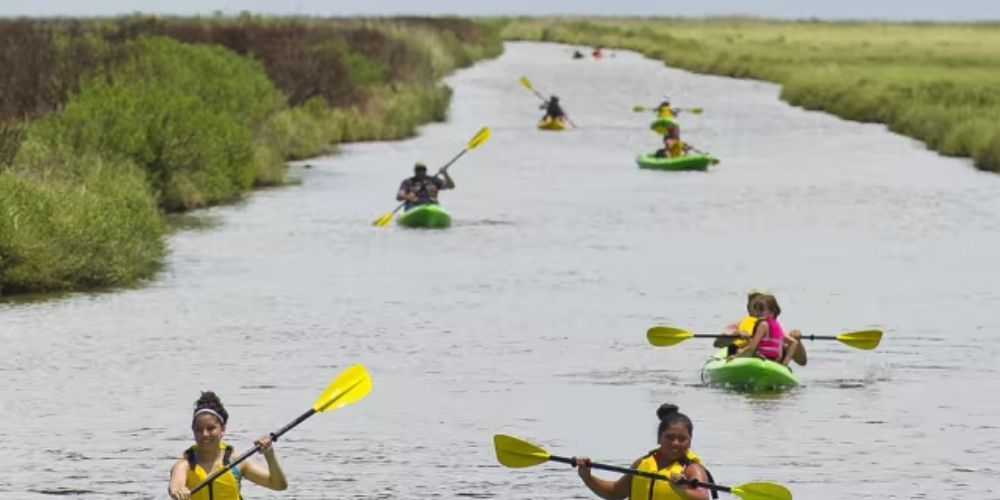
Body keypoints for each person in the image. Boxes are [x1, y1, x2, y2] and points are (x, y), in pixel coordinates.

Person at [573, 404, 714, 500]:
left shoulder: (691, 469)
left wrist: (682, 490)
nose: (675, 443)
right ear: (658, 438)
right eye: (669, 437)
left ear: (690, 442)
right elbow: (615, 492)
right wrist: (587, 477)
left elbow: (703, 496)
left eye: (682, 439)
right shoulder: (642, 463)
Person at [168, 392, 287, 500]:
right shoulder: (184, 464)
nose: (205, 434)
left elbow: (279, 485)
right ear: (193, 431)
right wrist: (179, 491)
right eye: (199, 430)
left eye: (211, 428)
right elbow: (176, 487)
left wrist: (269, 454)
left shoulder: (237, 463)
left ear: (222, 429)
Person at [718, 290, 807, 365]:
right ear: (749, 306)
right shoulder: (738, 323)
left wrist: (798, 342)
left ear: (771, 309)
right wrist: (736, 334)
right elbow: (718, 344)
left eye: (761, 306)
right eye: (754, 304)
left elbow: (802, 362)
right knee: (738, 350)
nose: (757, 310)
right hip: (745, 353)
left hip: (761, 356)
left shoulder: (775, 326)